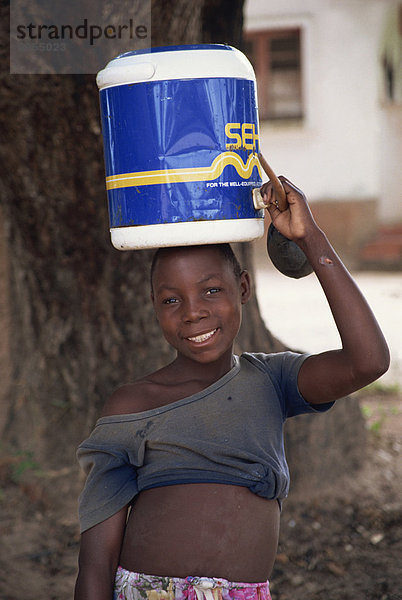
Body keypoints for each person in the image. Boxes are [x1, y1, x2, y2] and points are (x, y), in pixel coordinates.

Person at [74, 173, 389, 600]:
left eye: (211, 290)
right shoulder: (133, 405)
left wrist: (312, 239)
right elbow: (95, 565)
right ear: (154, 307)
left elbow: (367, 362)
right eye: (171, 300)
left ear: (243, 288)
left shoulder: (273, 381)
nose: (192, 313)